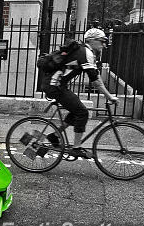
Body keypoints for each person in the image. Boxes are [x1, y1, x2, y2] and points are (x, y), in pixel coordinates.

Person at [41, 28, 118, 159]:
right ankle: (76, 148)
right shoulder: (85, 52)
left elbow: (96, 76)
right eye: (102, 41)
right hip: (54, 86)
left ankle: (54, 136)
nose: (104, 45)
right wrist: (109, 96)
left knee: (76, 111)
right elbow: (95, 82)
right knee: (82, 113)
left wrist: (108, 94)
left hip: (57, 85)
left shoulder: (85, 52)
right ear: (92, 40)